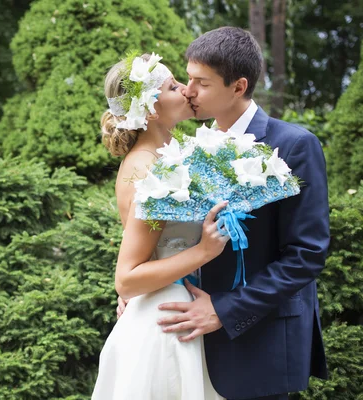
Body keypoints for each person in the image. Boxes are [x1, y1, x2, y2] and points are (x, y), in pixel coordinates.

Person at [118, 27, 330, 400]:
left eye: (201, 82)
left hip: (258, 345)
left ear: (238, 86)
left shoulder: (294, 146)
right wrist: (141, 287)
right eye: (186, 79)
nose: (188, 91)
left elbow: (306, 255)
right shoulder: (182, 152)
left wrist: (224, 309)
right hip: (184, 341)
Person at [91, 53, 229, 399]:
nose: (186, 89)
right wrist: (204, 251)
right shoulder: (146, 170)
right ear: (150, 108)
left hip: (184, 309)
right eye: (173, 86)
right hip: (164, 322)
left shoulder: (172, 155)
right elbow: (127, 277)